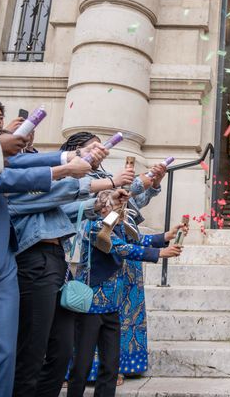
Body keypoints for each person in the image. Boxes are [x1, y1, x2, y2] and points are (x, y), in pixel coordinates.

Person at [0, 127, 95, 397]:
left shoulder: (14, 158)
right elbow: (20, 182)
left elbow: (18, 163)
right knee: (29, 354)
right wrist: (67, 169)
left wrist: (70, 158)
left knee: (8, 353)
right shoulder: (4, 167)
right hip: (31, 259)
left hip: (12, 259)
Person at [59, 132, 167, 386]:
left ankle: (116, 365)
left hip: (124, 246)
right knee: (92, 314)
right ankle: (84, 370)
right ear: (76, 150)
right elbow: (93, 206)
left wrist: (151, 184)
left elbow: (131, 205)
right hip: (97, 249)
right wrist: (131, 183)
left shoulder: (103, 174)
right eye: (94, 147)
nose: (102, 151)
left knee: (121, 314)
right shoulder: (73, 175)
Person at [66, 189, 184, 397]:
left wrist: (166, 236)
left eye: (121, 206)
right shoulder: (94, 228)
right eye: (115, 206)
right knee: (81, 365)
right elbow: (121, 248)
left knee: (111, 366)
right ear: (102, 208)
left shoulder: (120, 227)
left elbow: (136, 240)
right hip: (91, 306)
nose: (121, 210)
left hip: (113, 306)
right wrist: (159, 254)